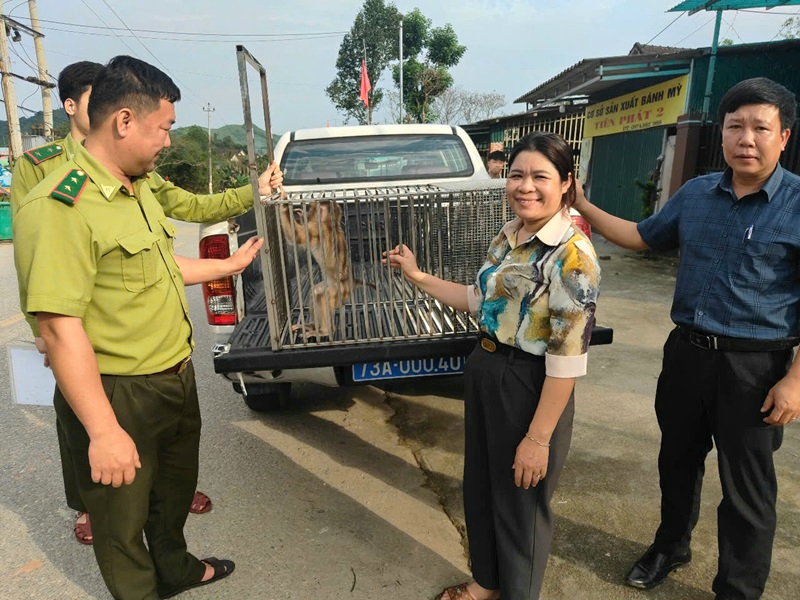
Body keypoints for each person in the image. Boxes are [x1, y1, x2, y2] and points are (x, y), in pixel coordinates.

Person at [13, 55, 280, 600]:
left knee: (172, 494)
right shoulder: (61, 204)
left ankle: (176, 568)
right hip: (118, 390)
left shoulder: (136, 187)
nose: (167, 141)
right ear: (125, 122)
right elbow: (60, 327)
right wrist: (104, 431)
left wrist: (226, 266)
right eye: (164, 128)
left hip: (173, 378)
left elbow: (159, 264)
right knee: (120, 523)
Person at [572, 77, 800, 599]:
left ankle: (737, 589)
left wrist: (795, 380)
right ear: (721, 133)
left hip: (756, 368)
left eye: (760, 128)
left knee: (748, 490)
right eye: (735, 126)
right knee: (676, 461)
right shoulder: (697, 194)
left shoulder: (797, 204)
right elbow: (640, 237)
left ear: (783, 136)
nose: (747, 138)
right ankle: (670, 546)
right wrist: (582, 204)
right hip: (687, 357)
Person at [385, 131, 600, 600]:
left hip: (530, 383)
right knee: (482, 488)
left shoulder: (571, 254)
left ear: (566, 183)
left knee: (520, 504)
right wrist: (417, 275)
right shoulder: (511, 234)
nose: (525, 186)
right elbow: (477, 300)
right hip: (486, 369)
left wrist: (538, 438)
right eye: (518, 174)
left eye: (540, 177)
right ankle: (487, 583)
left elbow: (567, 358)